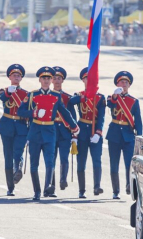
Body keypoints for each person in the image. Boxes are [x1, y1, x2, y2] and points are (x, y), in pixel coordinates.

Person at [18, 67, 79, 201]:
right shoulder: (32, 95)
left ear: (51, 80)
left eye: (48, 78)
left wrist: (74, 126)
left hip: (50, 132)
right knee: (34, 164)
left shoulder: (56, 96)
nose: (46, 81)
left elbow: (64, 112)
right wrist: (33, 113)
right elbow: (20, 112)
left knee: (50, 162)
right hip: (35, 131)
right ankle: (37, 191)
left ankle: (47, 187)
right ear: (39, 80)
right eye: (43, 78)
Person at [69, 67, 106, 198]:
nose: (88, 81)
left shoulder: (100, 98)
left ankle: (97, 186)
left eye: (90, 79)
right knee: (81, 161)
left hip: (94, 131)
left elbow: (101, 117)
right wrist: (82, 98)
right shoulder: (79, 95)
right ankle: (81, 190)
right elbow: (69, 103)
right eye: (86, 79)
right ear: (83, 81)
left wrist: (98, 133)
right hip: (82, 130)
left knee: (97, 161)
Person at [106, 71, 142, 199]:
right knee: (114, 164)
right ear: (117, 84)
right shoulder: (111, 98)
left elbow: (138, 120)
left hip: (128, 135)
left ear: (129, 85)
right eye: (122, 82)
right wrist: (116, 95)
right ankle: (115, 190)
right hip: (114, 134)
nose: (124, 84)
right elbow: (110, 104)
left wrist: (140, 136)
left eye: (126, 82)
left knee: (129, 163)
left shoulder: (133, 101)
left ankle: (129, 185)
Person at [0, 64, 29, 196]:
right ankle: (10, 186)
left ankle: (18, 167)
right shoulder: (4, 91)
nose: (16, 77)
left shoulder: (26, 94)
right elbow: (3, 99)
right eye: (14, 75)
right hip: (7, 125)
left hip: (21, 125)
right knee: (8, 155)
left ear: (21, 78)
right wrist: (10, 91)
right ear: (9, 77)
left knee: (18, 150)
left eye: (19, 75)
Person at [50, 66, 77, 194]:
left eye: (59, 78)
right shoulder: (47, 96)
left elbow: (72, 116)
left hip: (65, 131)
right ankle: (51, 185)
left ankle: (63, 179)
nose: (56, 80)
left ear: (62, 80)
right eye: (54, 78)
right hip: (51, 129)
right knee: (51, 159)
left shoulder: (68, 98)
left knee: (64, 158)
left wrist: (74, 134)